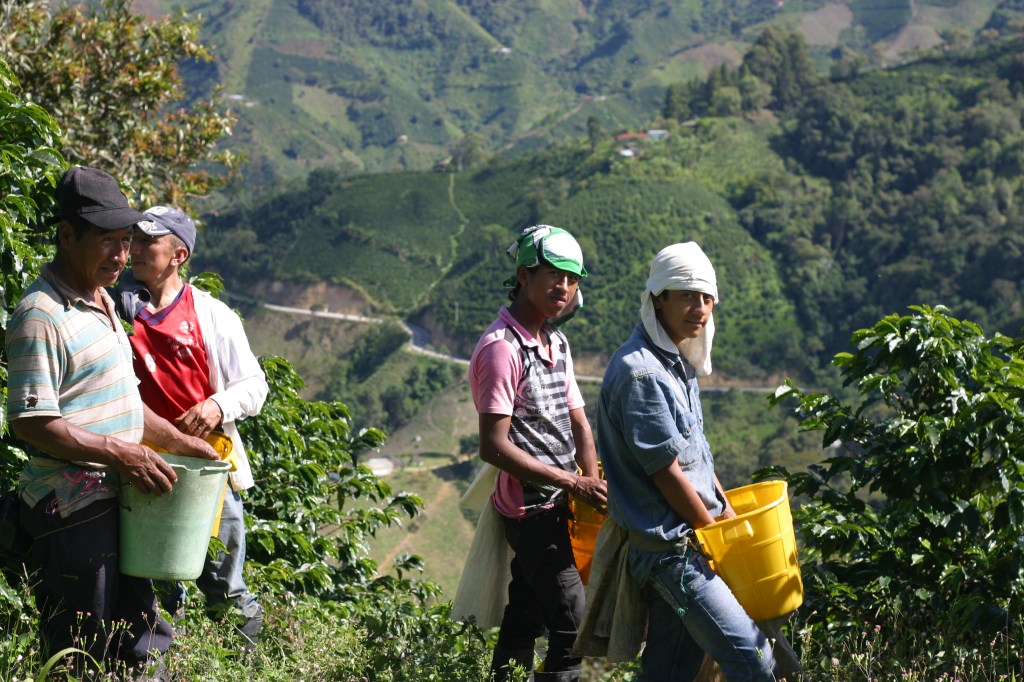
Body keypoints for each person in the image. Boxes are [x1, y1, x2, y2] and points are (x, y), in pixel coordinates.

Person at [5, 166, 218, 678]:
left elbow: (124, 405)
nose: (122, 257)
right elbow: (32, 422)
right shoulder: (41, 314)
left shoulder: (101, 302)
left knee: (140, 642)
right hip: (72, 508)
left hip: (119, 500)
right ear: (65, 235)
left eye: (127, 243)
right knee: (80, 652)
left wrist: (182, 445)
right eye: (108, 242)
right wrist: (123, 454)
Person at [594, 242, 778, 680]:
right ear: (659, 297)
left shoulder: (676, 362)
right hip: (672, 552)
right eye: (686, 296)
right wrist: (715, 538)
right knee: (753, 658)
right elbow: (667, 474)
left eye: (707, 298)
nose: (700, 308)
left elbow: (696, 457)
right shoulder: (642, 373)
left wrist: (728, 518)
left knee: (669, 671)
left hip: (690, 541)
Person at [113, 205, 268, 651]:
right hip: (139, 463)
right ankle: (159, 664)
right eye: (133, 241)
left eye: (147, 243)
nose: (134, 251)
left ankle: (248, 663)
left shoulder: (213, 315)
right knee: (147, 580)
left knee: (224, 579)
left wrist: (218, 406)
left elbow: (254, 386)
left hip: (208, 468)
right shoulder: (115, 306)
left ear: (178, 255)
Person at [468, 224, 607, 682]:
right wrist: (573, 481)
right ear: (524, 276)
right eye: (553, 274)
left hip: (560, 501)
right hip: (528, 508)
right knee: (573, 616)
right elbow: (494, 446)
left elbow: (579, 421)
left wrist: (592, 482)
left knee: (526, 611)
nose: (563, 287)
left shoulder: (555, 342)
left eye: (572, 278)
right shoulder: (502, 350)